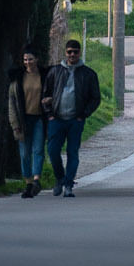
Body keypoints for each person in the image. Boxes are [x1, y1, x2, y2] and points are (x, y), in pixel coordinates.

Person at [42, 37, 101, 198]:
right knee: (53, 151)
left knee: (72, 152)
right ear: (65, 53)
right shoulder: (55, 71)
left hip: (76, 120)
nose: (72, 55)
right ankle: (60, 178)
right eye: (69, 52)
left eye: (75, 52)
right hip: (57, 119)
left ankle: (68, 184)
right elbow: (45, 94)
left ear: (79, 53)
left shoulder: (88, 74)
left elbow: (96, 98)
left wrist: (84, 114)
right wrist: (50, 114)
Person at [7, 44, 49, 198]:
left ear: (36, 59)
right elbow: (11, 102)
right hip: (23, 120)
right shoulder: (17, 79)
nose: (28, 62)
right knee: (24, 153)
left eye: (30, 59)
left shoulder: (45, 75)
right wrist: (14, 124)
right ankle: (28, 182)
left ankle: (37, 179)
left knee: (38, 150)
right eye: (25, 59)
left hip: (39, 118)